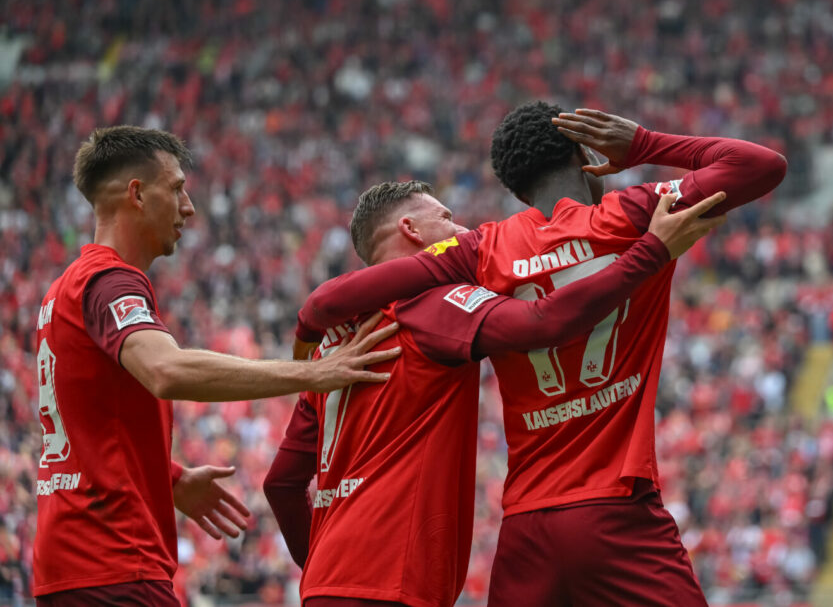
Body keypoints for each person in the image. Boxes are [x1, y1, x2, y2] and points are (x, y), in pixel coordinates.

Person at [292, 106, 787, 605]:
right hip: (617, 508)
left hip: (527, 524)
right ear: (585, 155)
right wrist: (642, 145)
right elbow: (760, 164)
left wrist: (309, 337)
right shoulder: (641, 216)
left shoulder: (482, 250)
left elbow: (329, 300)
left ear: (516, 189)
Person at [33, 126, 400, 605]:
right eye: (178, 188)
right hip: (114, 562)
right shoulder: (110, 281)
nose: (189, 207)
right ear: (137, 194)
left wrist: (170, 479)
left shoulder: (64, 289)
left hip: (68, 561)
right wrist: (313, 372)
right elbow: (167, 371)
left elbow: (85, 419)